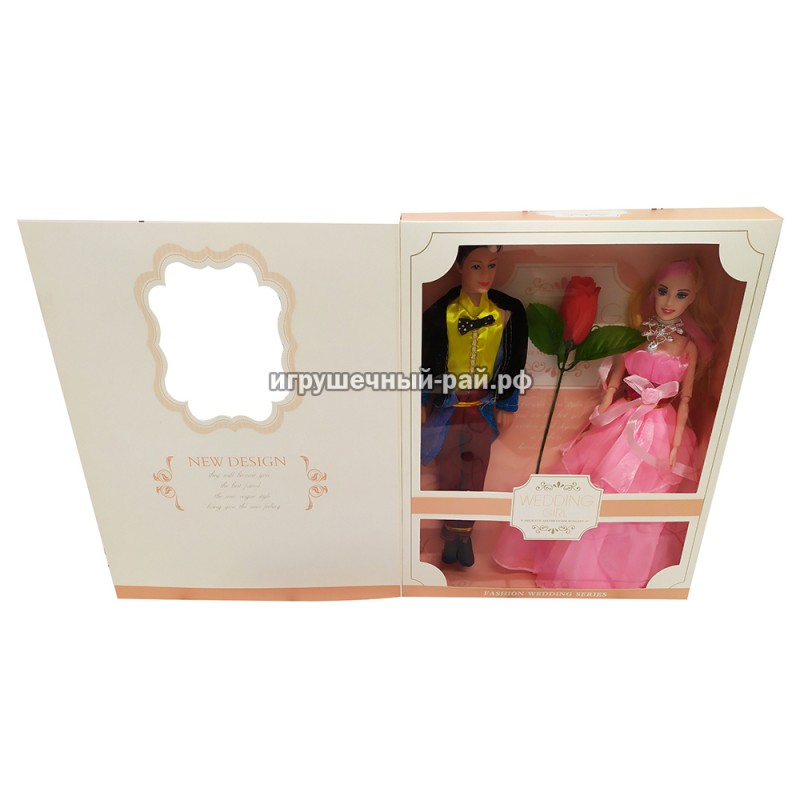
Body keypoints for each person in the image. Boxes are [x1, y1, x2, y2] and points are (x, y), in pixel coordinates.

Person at [494, 258, 715, 588]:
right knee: (593, 482)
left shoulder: (688, 346)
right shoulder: (636, 335)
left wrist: (676, 443)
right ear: (652, 291)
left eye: (681, 295)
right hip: (623, 416)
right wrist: (604, 406)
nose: (669, 301)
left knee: (636, 498)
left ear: (694, 298)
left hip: (660, 428)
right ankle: (566, 561)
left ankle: (618, 571)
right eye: (663, 291)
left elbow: (685, 398)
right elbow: (616, 377)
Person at [421, 245, 528, 567]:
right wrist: (423, 400)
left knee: (477, 470)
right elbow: (426, 361)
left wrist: (507, 402)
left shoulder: (507, 312)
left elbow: (514, 362)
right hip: (449, 406)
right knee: (448, 471)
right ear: (459, 266)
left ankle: (464, 536)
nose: (485, 275)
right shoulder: (442, 313)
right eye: (476, 266)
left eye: (491, 266)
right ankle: (450, 537)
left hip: (482, 406)